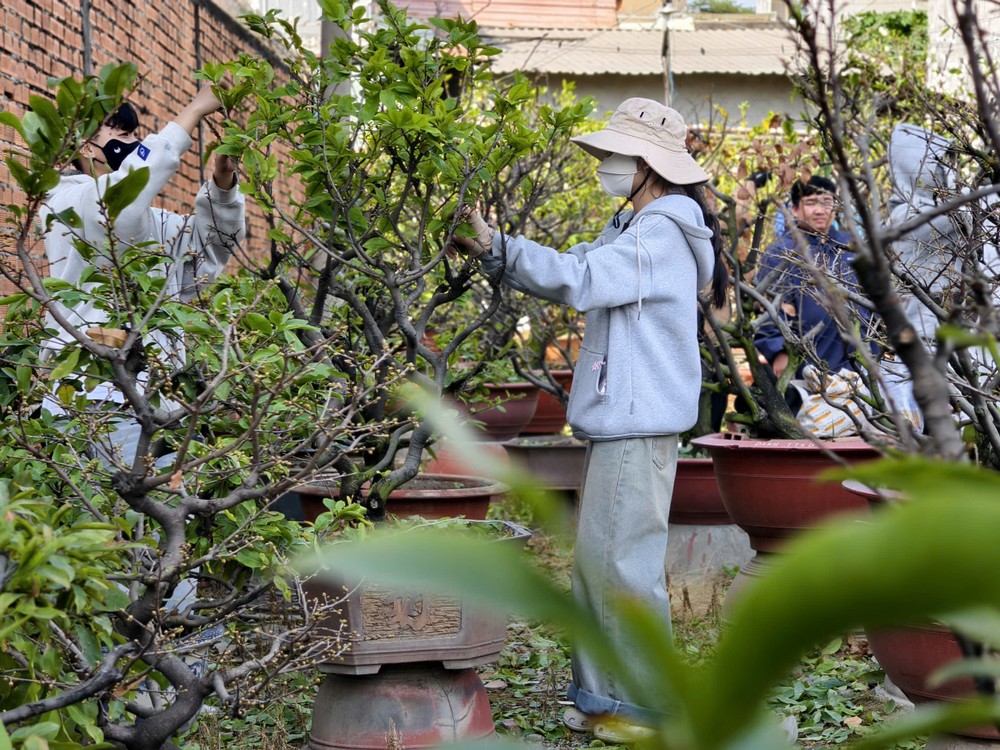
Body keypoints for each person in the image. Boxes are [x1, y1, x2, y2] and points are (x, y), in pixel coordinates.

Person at [455, 98, 727, 742]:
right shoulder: (637, 225)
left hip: (636, 425)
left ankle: (645, 710)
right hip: (626, 423)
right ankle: (605, 699)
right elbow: (578, 262)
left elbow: (579, 277)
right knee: (601, 564)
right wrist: (499, 252)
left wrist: (499, 245)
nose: (606, 164)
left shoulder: (661, 232)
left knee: (622, 567)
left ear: (648, 164)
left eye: (616, 155)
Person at [41, 86, 245, 465]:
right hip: (94, 397)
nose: (134, 146)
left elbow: (208, 254)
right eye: (122, 137)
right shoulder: (66, 200)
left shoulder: (150, 220)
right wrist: (194, 110)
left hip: (157, 399)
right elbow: (116, 210)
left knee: (155, 517)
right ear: (85, 146)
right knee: (107, 517)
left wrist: (222, 185)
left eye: (138, 137)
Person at [753, 175, 877, 380]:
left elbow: (874, 297)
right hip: (808, 364)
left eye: (827, 202)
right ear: (794, 209)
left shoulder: (851, 246)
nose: (820, 210)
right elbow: (768, 311)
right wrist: (778, 352)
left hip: (860, 363)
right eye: (810, 203)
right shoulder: (780, 253)